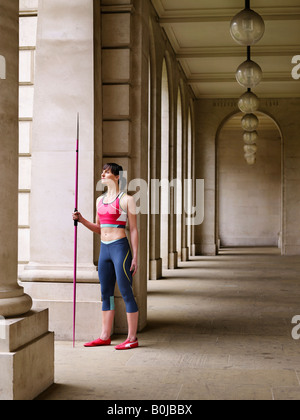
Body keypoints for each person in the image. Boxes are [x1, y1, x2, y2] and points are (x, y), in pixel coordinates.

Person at [72, 163, 139, 350]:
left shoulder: (127, 200)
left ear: (117, 177)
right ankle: (104, 336)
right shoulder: (99, 200)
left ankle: (132, 338)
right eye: (102, 171)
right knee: (106, 294)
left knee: (126, 292)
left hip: (120, 248)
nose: (103, 174)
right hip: (105, 249)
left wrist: (135, 257)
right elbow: (99, 228)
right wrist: (82, 220)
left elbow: (133, 230)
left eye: (107, 172)